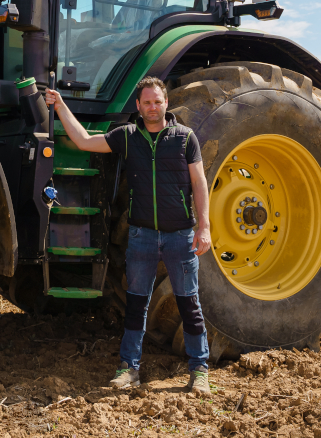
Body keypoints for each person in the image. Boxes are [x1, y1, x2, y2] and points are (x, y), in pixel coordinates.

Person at [45, 76, 212, 395]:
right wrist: (61, 105)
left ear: (166, 103)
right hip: (142, 237)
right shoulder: (127, 137)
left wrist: (203, 227)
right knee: (136, 306)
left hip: (180, 236)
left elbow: (199, 183)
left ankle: (199, 371)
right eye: (146, 102)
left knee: (188, 304)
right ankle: (128, 369)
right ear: (138, 106)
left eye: (157, 101)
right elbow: (83, 141)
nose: (152, 107)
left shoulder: (184, 137)